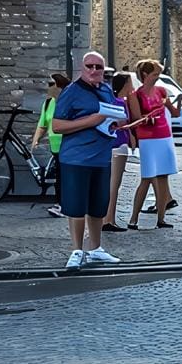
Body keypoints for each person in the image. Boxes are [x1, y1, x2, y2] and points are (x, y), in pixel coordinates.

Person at [50, 52, 122, 269]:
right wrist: (91, 121)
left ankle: (95, 248)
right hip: (76, 157)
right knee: (76, 206)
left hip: (101, 157)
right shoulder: (71, 92)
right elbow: (57, 126)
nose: (93, 70)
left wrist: (114, 123)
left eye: (98, 67)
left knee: (98, 206)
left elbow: (110, 116)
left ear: (104, 70)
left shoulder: (106, 89)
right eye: (89, 66)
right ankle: (76, 250)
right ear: (82, 68)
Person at [127, 59, 181, 230]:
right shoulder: (136, 94)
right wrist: (149, 117)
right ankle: (133, 218)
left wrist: (176, 101)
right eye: (155, 74)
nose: (158, 77)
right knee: (147, 177)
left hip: (164, 136)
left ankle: (161, 218)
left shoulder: (162, 91)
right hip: (148, 138)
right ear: (145, 75)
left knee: (164, 177)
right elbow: (136, 118)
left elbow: (175, 113)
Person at [103, 72, 142, 232]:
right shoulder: (119, 102)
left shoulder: (112, 100)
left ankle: (107, 218)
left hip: (112, 143)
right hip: (119, 144)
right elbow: (124, 121)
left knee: (110, 183)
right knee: (114, 184)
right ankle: (109, 219)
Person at [31, 73, 70, 217]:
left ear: (59, 86)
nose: (48, 88)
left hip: (68, 143)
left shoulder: (67, 101)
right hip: (55, 146)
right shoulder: (48, 103)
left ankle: (63, 205)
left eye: (50, 84)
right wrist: (36, 139)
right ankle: (62, 204)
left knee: (63, 176)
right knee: (60, 176)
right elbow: (42, 124)